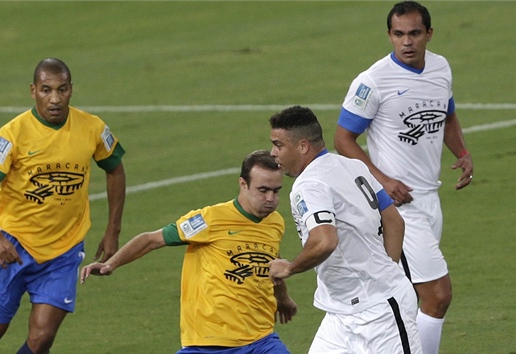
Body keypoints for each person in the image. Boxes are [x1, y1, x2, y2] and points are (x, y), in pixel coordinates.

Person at [333, 2, 474, 353]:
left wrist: (462, 153)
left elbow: (447, 115)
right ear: (389, 36)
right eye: (398, 34)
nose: (406, 42)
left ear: (429, 33)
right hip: (397, 207)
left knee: (409, 297)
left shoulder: (440, 68)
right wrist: (382, 180)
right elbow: (342, 139)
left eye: (414, 33)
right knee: (437, 296)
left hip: (430, 199)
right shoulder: (372, 81)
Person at [0, 58, 126, 354]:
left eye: (62, 89)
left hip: (63, 251)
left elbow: (115, 169)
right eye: (46, 90)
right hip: (13, 246)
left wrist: (113, 229)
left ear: (71, 90)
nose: (54, 99)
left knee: (41, 340)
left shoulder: (92, 128)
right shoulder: (13, 134)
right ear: (33, 91)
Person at [80, 150, 297, 354]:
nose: (270, 198)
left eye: (276, 191)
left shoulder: (275, 222)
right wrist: (111, 264)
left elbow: (269, 260)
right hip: (209, 342)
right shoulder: (209, 219)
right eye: (263, 190)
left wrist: (283, 297)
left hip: (260, 340)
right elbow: (152, 240)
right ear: (243, 184)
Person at [268, 105, 422, 354]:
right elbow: (394, 221)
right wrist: (387, 268)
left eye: (279, 145)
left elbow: (324, 241)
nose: (273, 153)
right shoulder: (352, 166)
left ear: (303, 146)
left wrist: (290, 267)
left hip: (380, 314)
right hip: (340, 315)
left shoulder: (309, 184)